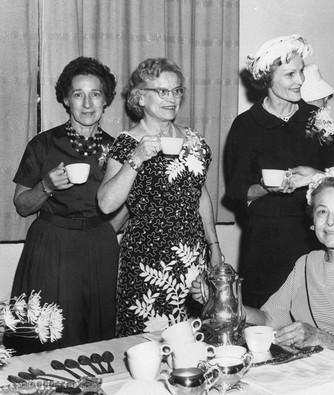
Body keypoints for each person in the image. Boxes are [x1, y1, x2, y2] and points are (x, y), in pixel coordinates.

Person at [193, 167, 334, 375]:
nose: (330, 222)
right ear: (313, 220)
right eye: (322, 211)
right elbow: (268, 319)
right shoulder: (307, 263)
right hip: (318, 370)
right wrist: (220, 301)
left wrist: (319, 338)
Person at [97, 58, 223, 337]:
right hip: (148, 262)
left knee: (193, 340)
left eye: (176, 91)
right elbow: (106, 203)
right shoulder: (128, 143)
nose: (172, 98)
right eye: (162, 91)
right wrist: (137, 158)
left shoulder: (195, 141)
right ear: (140, 97)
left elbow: (199, 193)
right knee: (146, 343)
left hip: (192, 259)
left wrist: (214, 246)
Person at [5, 57, 122, 354]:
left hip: (99, 247)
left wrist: (105, 233)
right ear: (66, 100)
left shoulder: (118, 148)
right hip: (50, 247)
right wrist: (46, 186)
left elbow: (128, 204)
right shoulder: (43, 144)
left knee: (97, 339)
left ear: (106, 100)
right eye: (78, 94)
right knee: (47, 338)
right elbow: (21, 205)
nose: (86, 103)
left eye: (95, 94)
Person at [225, 34, 334, 308]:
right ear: (267, 78)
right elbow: (237, 190)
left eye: (301, 72)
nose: (300, 80)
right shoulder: (246, 125)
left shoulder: (317, 120)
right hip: (265, 242)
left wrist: (316, 176)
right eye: (290, 74)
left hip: (312, 235)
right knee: (265, 324)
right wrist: (266, 188)